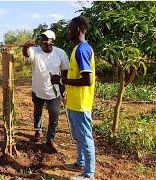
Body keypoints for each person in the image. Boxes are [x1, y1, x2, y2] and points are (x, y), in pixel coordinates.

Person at [51, 16, 96, 179]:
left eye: (70, 29)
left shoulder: (83, 50)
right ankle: (80, 163)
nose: (67, 32)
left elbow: (87, 80)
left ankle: (88, 174)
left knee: (85, 137)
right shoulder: (77, 49)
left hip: (81, 103)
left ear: (77, 30)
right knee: (78, 136)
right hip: (74, 102)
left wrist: (61, 80)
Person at [22, 30, 69, 153]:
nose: (43, 41)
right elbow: (26, 54)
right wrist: (26, 46)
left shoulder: (60, 53)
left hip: (54, 92)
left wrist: (63, 87)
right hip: (37, 90)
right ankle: (37, 130)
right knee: (38, 110)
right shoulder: (35, 50)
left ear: (52, 41)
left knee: (54, 114)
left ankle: (50, 139)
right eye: (42, 38)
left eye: (46, 39)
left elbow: (65, 71)